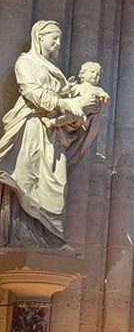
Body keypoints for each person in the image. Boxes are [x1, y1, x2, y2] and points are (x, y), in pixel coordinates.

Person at [0, 20, 105, 249]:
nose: (58, 43)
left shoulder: (56, 72)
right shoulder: (26, 62)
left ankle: (49, 239)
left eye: (59, 39)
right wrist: (65, 104)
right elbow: (31, 90)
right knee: (26, 179)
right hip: (31, 126)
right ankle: (23, 236)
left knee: (55, 184)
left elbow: (69, 104)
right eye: (54, 38)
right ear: (40, 37)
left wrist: (84, 109)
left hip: (53, 134)